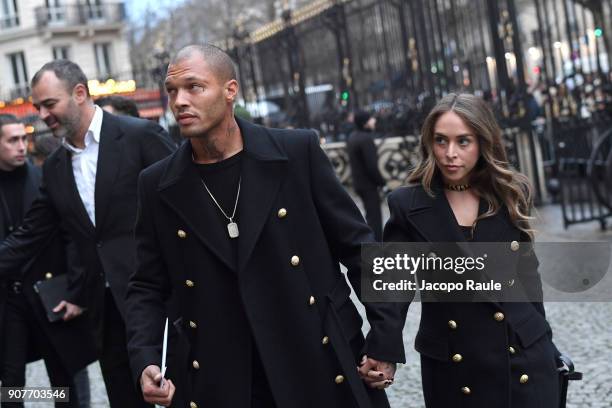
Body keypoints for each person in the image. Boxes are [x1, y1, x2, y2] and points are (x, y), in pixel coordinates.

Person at [125, 44, 407, 408]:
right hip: (222, 377)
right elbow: (146, 284)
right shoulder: (157, 184)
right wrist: (146, 358)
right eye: (172, 91)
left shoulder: (295, 152)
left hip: (318, 359)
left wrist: (384, 339)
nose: (179, 101)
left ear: (230, 90)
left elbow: (360, 249)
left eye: (194, 87)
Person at [0, 60, 175, 407]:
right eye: (38, 107)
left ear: (80, 93)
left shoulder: (140, 137)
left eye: (49, 104)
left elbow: (186, 204)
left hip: (162, 301)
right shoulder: (54, 168)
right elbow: (30, 235)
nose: (43, 115)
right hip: (105, 313)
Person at [384, 93, 562, 407]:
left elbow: (528, 280)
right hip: (455, 366)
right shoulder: (408, 205)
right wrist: (384, 350)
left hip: (522, 357)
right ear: (429, 142)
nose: (450, 153)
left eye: (463, 141)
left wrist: (544, 343)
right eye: (441, 141)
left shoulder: (509, 193)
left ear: (482, 142)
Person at [0, 114, 96, 408]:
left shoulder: (44, 178)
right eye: (12, 140)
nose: (21, 146)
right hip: (7, 300)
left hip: (49, 293)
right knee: (11, 383)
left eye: (23, 139)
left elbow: (73, 236)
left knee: (64, 381)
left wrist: (75, 291)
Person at [347, 110, 386, 241]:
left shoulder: (353, 137)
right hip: (369, 185)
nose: (374, 121)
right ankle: (376, 249)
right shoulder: (366, 139)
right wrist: (382, 182)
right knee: (375, 220)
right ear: (365, 123)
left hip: (359, 184)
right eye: (371, 119)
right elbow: (371, 167)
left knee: (370, 217)